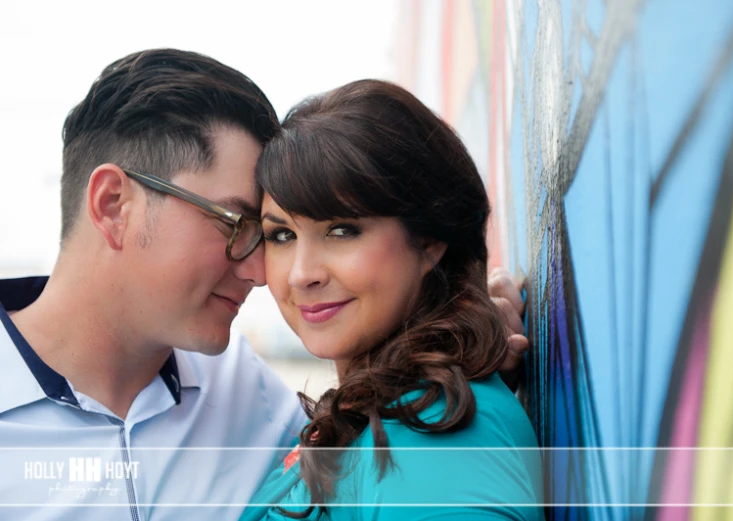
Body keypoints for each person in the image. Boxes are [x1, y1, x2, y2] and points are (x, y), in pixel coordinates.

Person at [0, 50, 530, 520]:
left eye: (264, 235)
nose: (265, 274)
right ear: (114, 206)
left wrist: (465, 320)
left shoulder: (243, 390)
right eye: (241, 227)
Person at [240, 80, 543, 520]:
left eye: (342, 230)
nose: (302, 274)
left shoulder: (435, 438)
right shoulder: (397, 415)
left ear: (429, 239)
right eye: (281, 235)